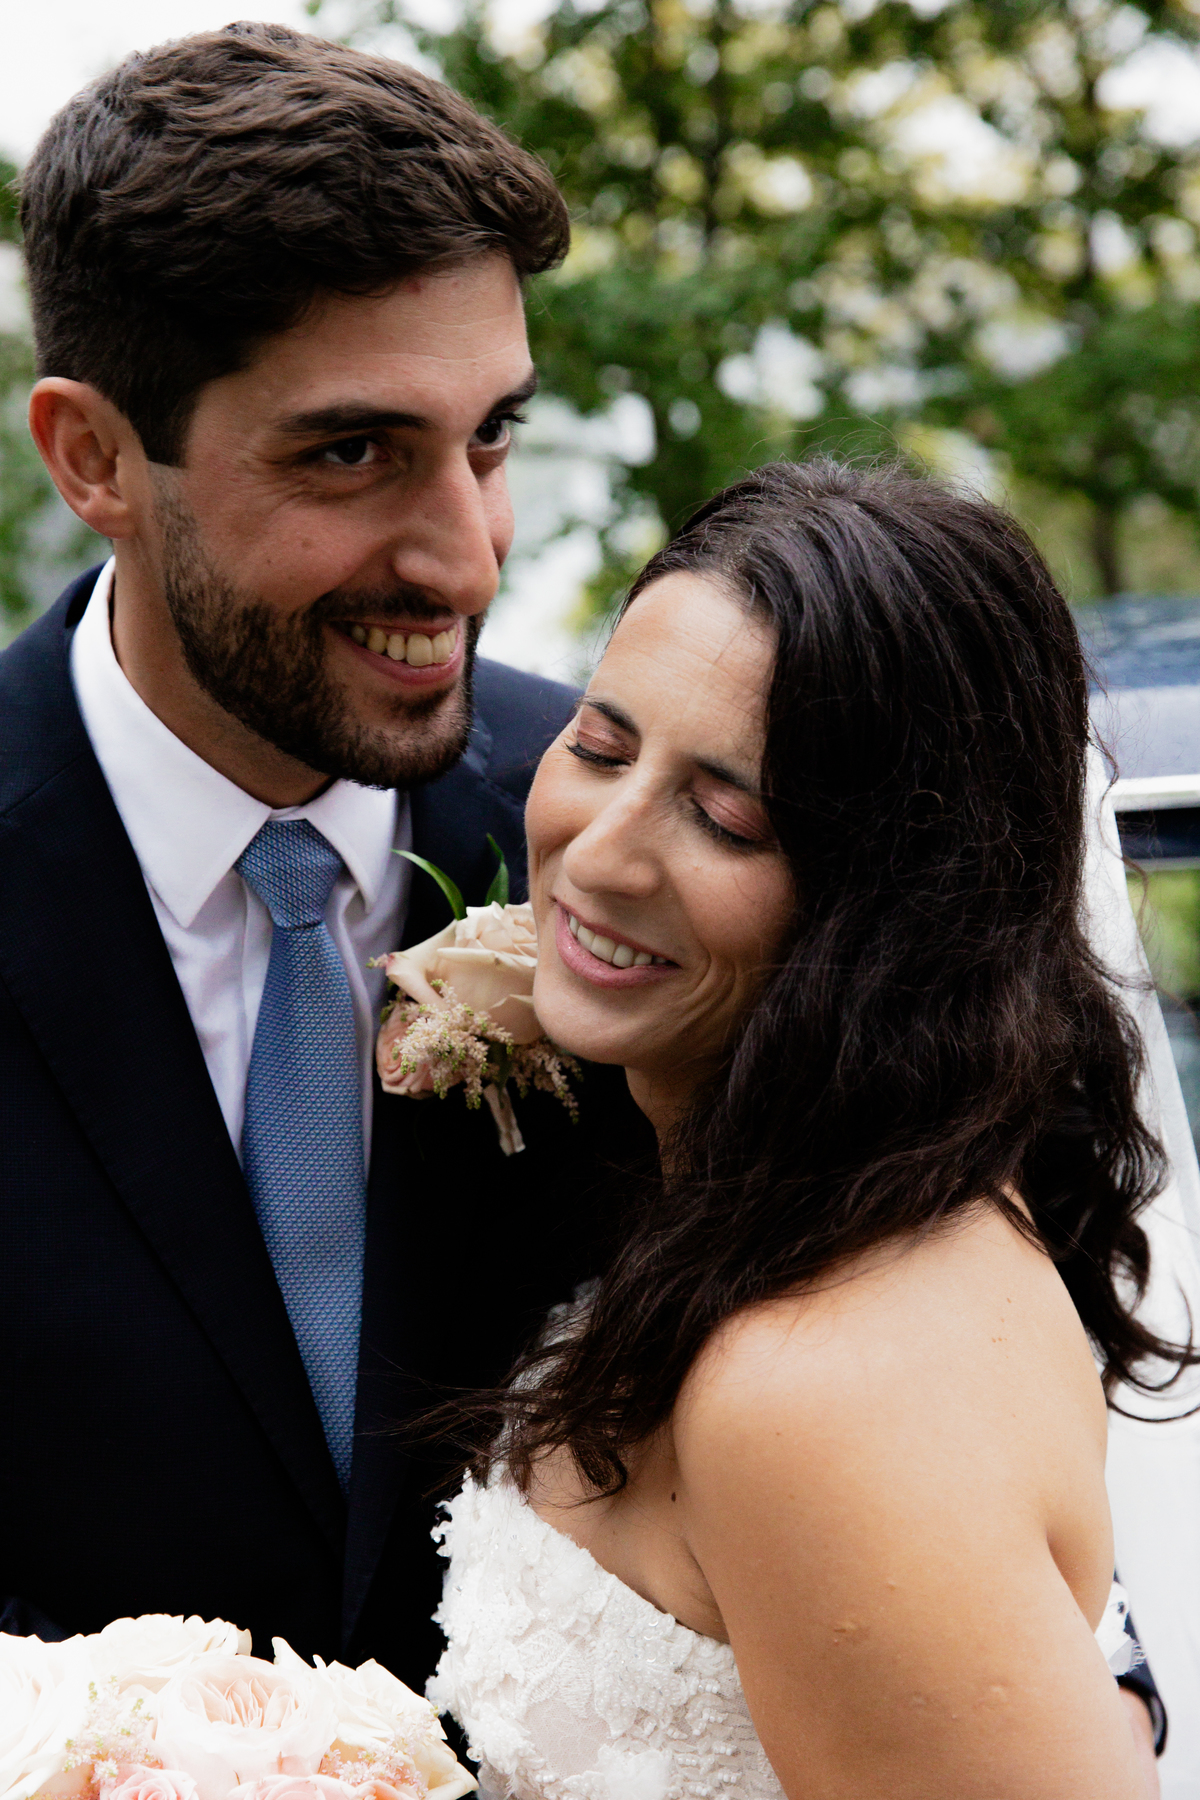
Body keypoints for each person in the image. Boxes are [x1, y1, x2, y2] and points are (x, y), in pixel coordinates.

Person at [0, 22, 650, 1686]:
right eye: (352, 452)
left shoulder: (636, 842)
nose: (468, 558)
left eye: (490, 438)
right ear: (92, 457)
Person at [428, 459, 1193, 1797]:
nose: (598, 852)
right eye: (600, 747)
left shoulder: (825, 1390)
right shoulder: (821, 1191)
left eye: (723, 817)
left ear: (891, 910)